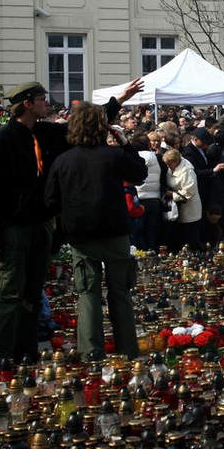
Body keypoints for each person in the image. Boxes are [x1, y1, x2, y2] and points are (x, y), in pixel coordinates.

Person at [0, 78, 141, 362]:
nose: (48, 103)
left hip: (41, 224)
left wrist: (117, 102)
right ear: (27, 103)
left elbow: (82, 123)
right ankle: (0, 353)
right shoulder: (3, 140)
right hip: (14, 227)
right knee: (10, 291)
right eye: (42, 99)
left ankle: (26, 349)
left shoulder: (44, 132)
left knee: (32, 292)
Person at [44, 102, 147, 360]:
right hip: (114, 233)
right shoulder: (113, 156)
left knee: (88, 294)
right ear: (103, 128)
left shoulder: (63, 161)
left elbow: (50, 201)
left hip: (81, 234)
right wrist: (124, 143)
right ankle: (128, 350)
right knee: (120, 292)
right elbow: (140, 173)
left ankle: (91, 352)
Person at [162, 148, 202, 252]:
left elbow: (189, 191)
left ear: (176, 162)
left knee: (189, 237)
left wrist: (172, 194)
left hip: (189, 208)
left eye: (170, 164)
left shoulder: (187, 171)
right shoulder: (171, 168)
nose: (168, 167)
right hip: (176, 207)